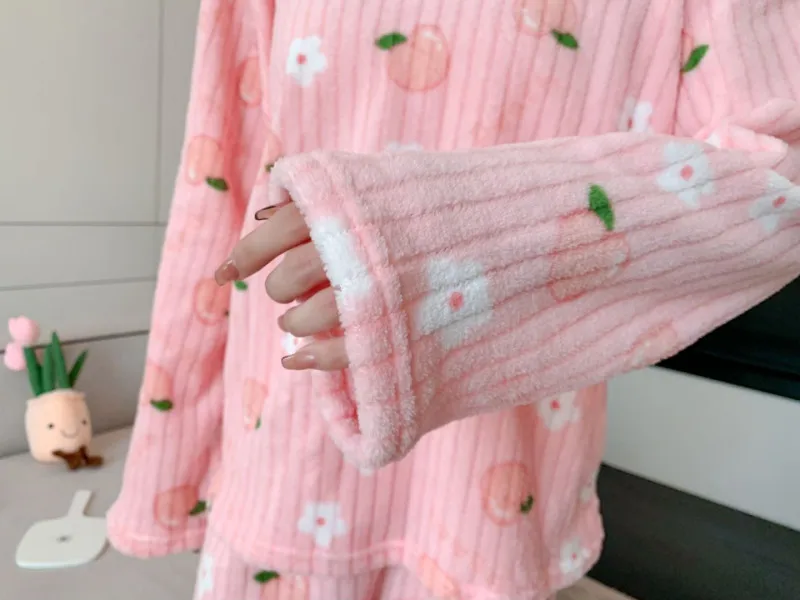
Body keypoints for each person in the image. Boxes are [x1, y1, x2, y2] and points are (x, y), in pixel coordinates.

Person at [108, 1, 800, 598]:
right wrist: (172, 466)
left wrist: (424, 240)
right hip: (288, 455)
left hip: (493, 500)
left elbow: (779, 175)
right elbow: (221, 175)